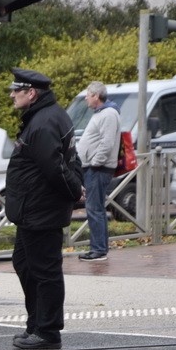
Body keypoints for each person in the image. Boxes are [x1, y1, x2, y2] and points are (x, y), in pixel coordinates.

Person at [4, 68, 83, 350]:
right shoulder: (50, 116)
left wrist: (75, 191)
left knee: (44, 271)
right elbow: (73, 159)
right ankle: (36, 324)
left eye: (17, 90)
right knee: (25, 264)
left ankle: (48, 331)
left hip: (40, 210)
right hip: (33, 210)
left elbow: (57, 168)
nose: (12, 94)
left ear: (31, 93)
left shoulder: (43, 123)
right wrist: (77, 187)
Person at [76, 80, 120, 262]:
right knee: (95, 208)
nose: (86, 98)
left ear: (96, 96)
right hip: (95, 168)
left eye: (88, 94)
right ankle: (99, 248)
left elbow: (107, 142)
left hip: (98, 169)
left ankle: (98, 250)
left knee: (94, 209)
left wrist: (95, 163)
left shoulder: (108, 114)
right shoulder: (102, 113)